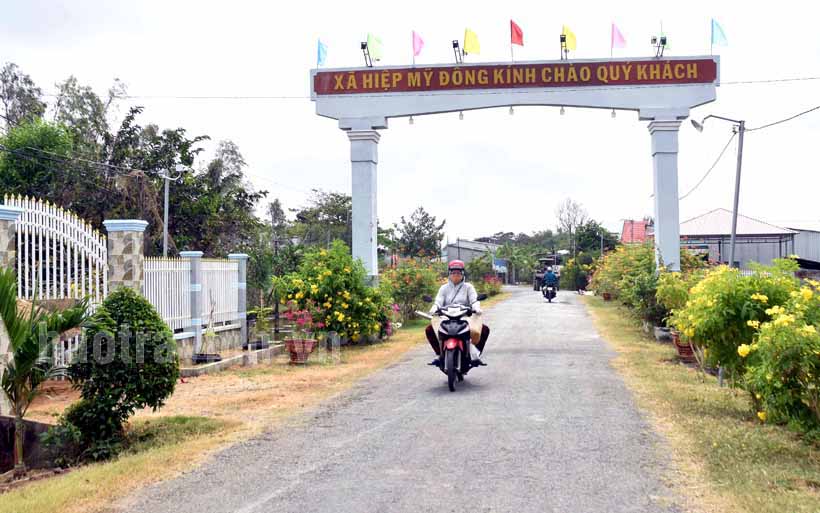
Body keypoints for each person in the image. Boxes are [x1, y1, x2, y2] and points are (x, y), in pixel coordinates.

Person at [425, 259, 490, 366]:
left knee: (484, 329)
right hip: (446, 316)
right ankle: (439, 353)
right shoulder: (444, 288)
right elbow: (438, 301)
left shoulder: (468, 287)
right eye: (453, 272)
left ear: (463, 273)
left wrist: (476, 308)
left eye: (458, 272)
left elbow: (474, 300)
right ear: (449, 274)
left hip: (465, 316)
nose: (456, 275)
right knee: (429, 329)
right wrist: (434, 308)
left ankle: (476, 354)